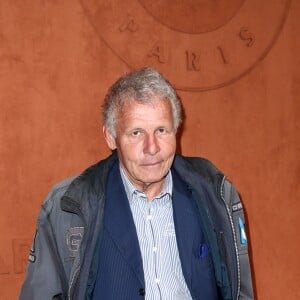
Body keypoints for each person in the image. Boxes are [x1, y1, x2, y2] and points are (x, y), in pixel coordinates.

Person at [20, 67, 254, 300]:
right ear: (111, 137)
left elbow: (240, 292)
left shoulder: (216, 194)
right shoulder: (67, 207)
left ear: (176, 131)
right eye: (136, 133)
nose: (151, 148)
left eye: (161, 130)